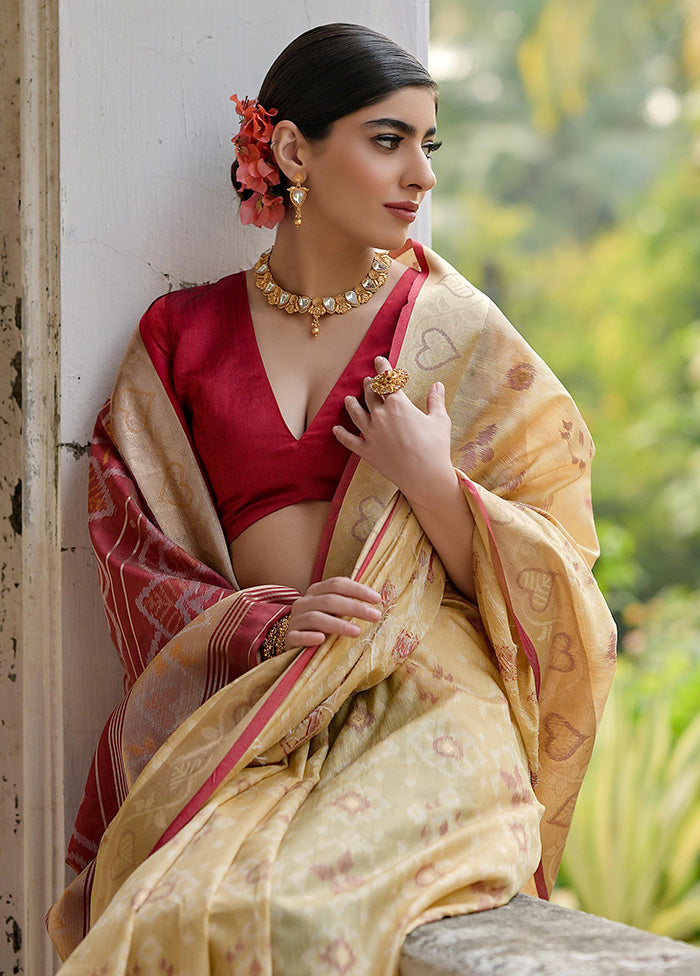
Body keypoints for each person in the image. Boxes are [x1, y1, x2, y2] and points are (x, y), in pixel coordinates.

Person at [47, 23, 616, 976]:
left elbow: (563, 574)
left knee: (318, 921)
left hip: (424, 695)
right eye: (389, 139)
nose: (421, 176)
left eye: (427, 145)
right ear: (289, 150)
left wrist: (434, 481)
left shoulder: (454, 332)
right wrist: (263, 625)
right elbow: (134, 546)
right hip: (257, 696)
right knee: (163, 909)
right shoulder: (181, 335)